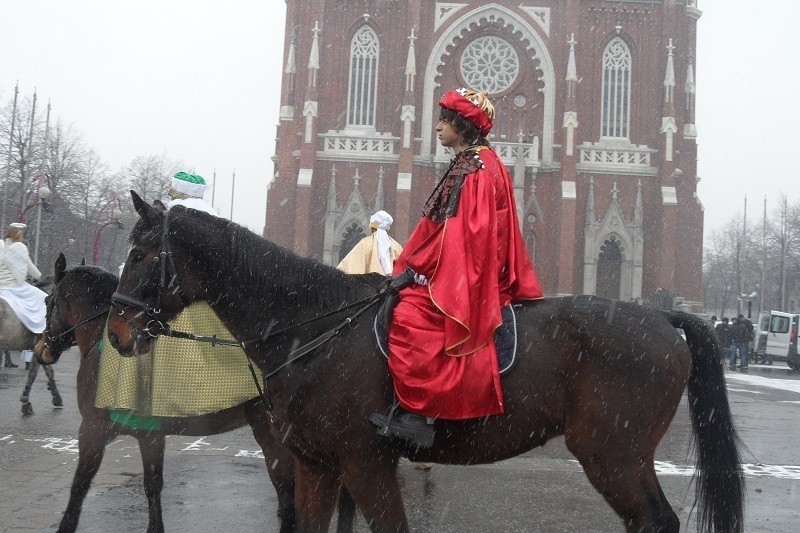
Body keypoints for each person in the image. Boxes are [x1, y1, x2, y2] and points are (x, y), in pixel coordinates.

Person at [370, 88, 544, 448]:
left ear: (462, 126)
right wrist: (410, 263)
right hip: (463, 266)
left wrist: (419, 270)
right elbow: (438, 225)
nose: (437, 128)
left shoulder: (476, 167)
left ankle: (417, 416)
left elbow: (463, 233)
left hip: (469, 274)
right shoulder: (474, 161)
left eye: (444, 121)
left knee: (411, 321)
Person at [96, 172, 259, 428]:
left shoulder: (168, 218)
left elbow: (141, 265)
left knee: (128, 331)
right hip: (209, 308)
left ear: (176, 190)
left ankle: (136, 402)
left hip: (172, 304)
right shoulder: (214, 218)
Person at [0, 223, 46, 370]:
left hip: (1, 287)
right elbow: (29, 267)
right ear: (18, 235)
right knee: (43, 299)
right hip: (14, 287)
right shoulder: (19, 248)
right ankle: (38, 332)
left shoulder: (1, 246)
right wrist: (39, 276)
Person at [337, 210, 403, 276]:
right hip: (392, 284)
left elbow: (349, 265)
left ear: (373, 228)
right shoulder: (396, 246)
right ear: (387, 228)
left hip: (370, 284)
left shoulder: (365, 243)